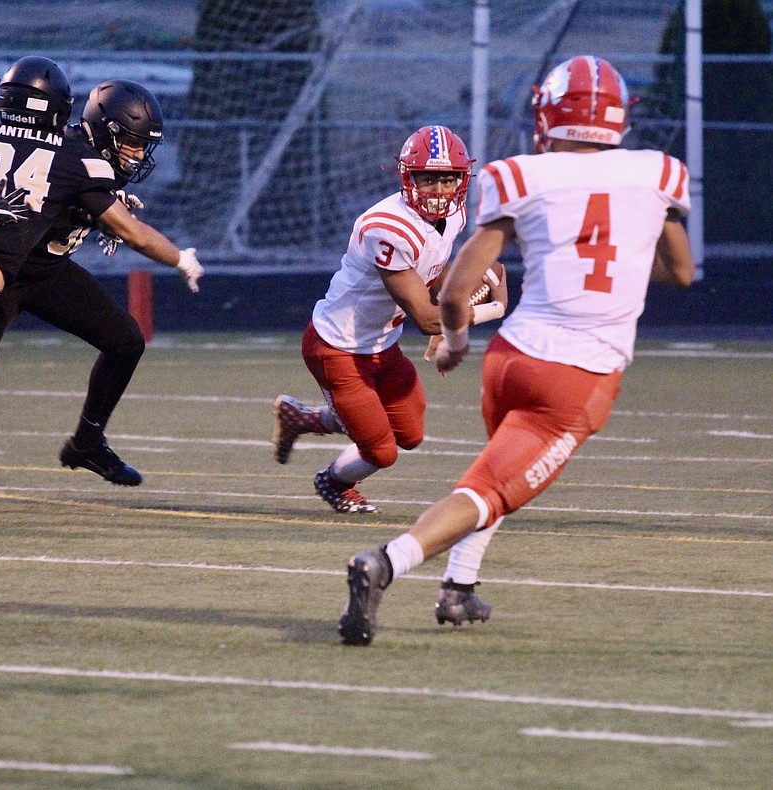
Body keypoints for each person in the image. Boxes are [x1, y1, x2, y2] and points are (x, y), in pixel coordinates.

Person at [338, 55, 695, 647]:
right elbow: (681, 270)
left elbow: (454, 293)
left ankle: (459, 587)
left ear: (546, 114)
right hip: (580, 372)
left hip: (512, 357)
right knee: (489, 490)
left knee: (493, 470)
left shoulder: (520, 175)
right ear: (619, 120)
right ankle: (387, 561)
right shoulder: (657, 172)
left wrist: (453, 345)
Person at [0, 59, 203, 486]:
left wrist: (103, 204)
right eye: (132, 142)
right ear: (105, 129)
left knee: (126, 340)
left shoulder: (63, 152)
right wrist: (170, 252)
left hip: (46, 271)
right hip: (0, 277)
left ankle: (87, 442)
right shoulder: (71, 153)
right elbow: (106, 218)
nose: (138, 154)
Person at [272, 124, 506, 521]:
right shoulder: (387, 227)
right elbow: (428, 319)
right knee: (381, 451)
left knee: (410, 433)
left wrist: (469, 285)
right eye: (427, 179)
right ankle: (334, 481)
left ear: (461, 180)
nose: (437, 190)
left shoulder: (454, 216)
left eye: (447, 180)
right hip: (338, 347)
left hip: (380, 342)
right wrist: (474, 311)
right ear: (407, 177)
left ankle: (305, 418)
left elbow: (435, 266)